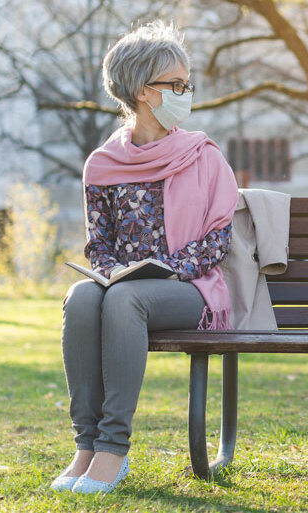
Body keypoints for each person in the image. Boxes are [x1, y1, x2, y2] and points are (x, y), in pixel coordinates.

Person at [51, 21, 238, 494]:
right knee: (82, 297)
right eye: (173, 85)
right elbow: (99, 242)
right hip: (125, 288)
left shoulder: (204, 156)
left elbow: (219, 240)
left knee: (123, 301)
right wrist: (111, 270)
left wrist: (170, 268)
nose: (184, 92)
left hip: (191, 290)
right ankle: (86, 447)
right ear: (140, 90)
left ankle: (113, 450)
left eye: (185, 84)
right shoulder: (102, 164)